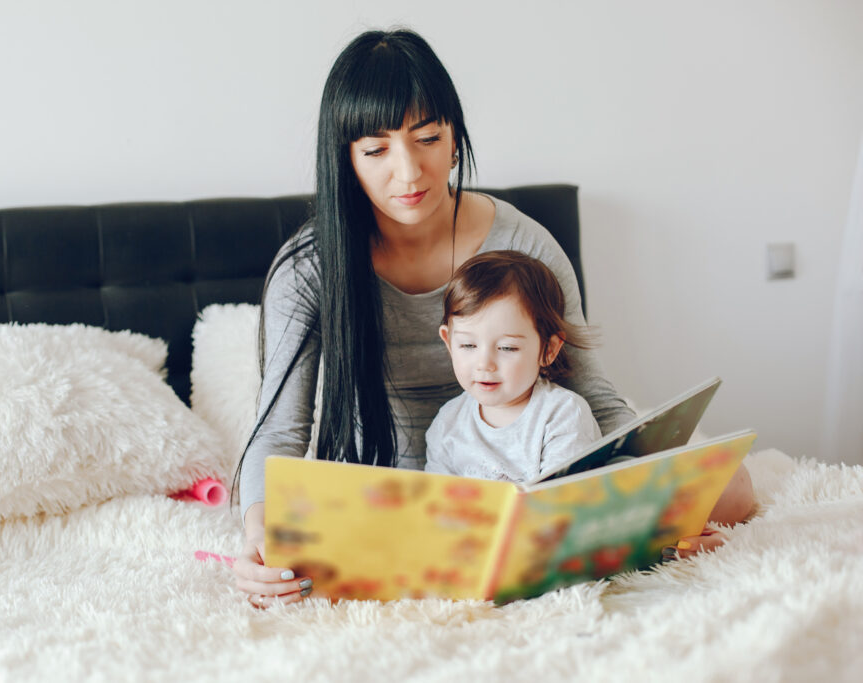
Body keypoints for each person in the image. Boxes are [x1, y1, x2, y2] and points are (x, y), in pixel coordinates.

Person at [231, 28, 752, 608]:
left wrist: (650, 497)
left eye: (427, 138)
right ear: (345, 160)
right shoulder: (308, 269)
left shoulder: (523, 244)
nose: (408, 173)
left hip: (527, 475)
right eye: (376, 150)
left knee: (732, 487)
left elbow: (594, 395)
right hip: (391, 495)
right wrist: (258, 532)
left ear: (455, 137)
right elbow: (277, 431)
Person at [424, 250, 602, 483]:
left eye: (507, 348)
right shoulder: (447, 423)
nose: (484, 364)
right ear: (449, 342)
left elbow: (559, 503)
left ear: (548, 349)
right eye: (468, 345)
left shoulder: (562, 415)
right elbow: (436, 502)